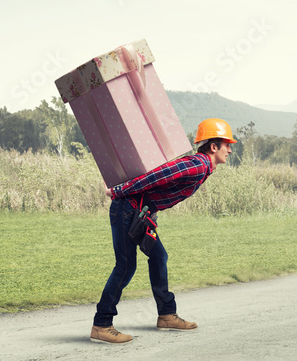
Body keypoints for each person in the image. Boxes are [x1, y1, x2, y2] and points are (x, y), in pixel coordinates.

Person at [89, 118, 236, 344]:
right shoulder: (197, 164)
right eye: (227, 144)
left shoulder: (204, 167)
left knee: (159, 256)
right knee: (126, 266)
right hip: (127, 207)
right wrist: (119, 191)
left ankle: (166, 315)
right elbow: (157, 176)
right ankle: (102, 324)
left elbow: (162, 188)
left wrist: (152, 212)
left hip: (140, 212)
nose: (230, 149)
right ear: (214, 147)